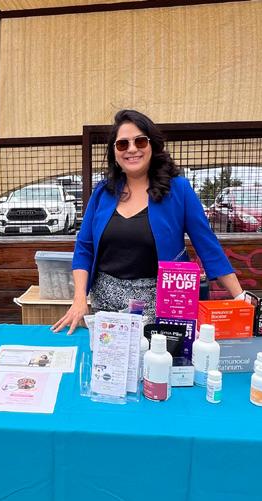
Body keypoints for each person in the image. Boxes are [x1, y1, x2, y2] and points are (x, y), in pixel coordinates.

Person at [53, 109, 244, 334]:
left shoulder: (179, 190)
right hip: (106, 308)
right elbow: (84, 248)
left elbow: (208, 246)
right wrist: (79, 300)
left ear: (152, 145)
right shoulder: (103, 192)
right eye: (122, 144)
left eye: (140, 141)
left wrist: (240, 297)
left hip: (163, 305)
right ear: (114, 152)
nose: (132, 149)